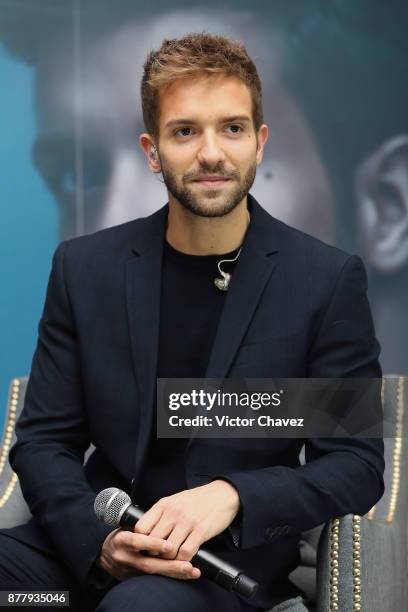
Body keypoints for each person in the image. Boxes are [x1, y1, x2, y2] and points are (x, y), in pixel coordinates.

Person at [0, 33, 384, 612]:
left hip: (218, 566)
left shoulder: (323, 280)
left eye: (231, 128)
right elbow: (44, 441)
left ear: (259, 143)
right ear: (153, 152)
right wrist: (99, 542)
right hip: (83, 560)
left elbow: (355, 463)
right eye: (185, 131)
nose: (211, 153)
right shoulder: (85, 269)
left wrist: (232, 495)